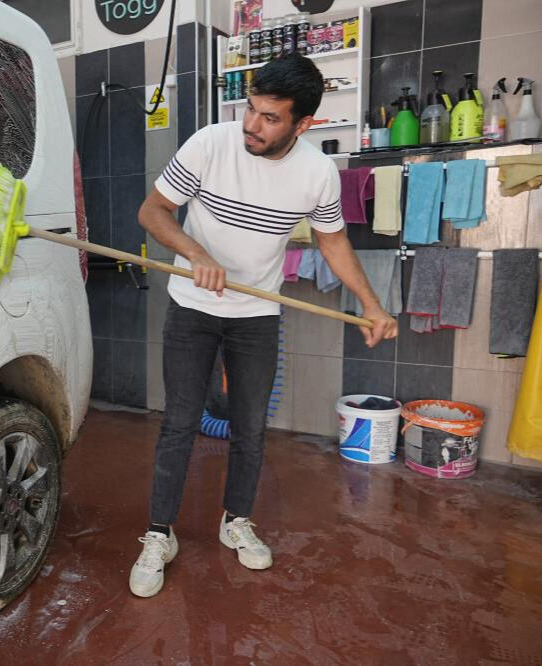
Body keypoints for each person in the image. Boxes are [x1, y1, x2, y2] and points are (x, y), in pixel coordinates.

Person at [129, 53, 399, 598]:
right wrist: (194, 250)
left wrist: (371, 304)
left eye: (270, 117)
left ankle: (237, 521)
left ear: (304, 124)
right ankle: (158, 535)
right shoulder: (210, 142)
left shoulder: (317, 172)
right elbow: (153, 211)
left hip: (256, 314)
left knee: (250, 429)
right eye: (251, 109)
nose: (252, 125)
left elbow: (332, 240)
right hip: (192, 307)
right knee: (179, 423)